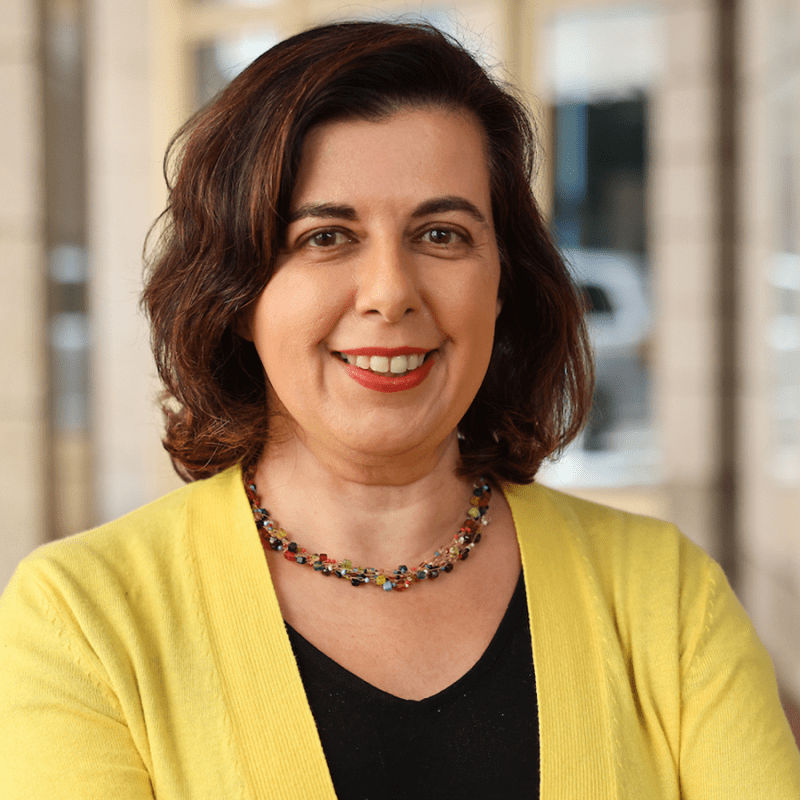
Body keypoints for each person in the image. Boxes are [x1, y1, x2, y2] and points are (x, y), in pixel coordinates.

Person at [1, 20, 799, 799]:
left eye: (442, 234)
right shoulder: (84, 623)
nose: (390, 292)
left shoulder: (668, 597)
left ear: (502, 282)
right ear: (239, 289)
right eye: (324, 238)